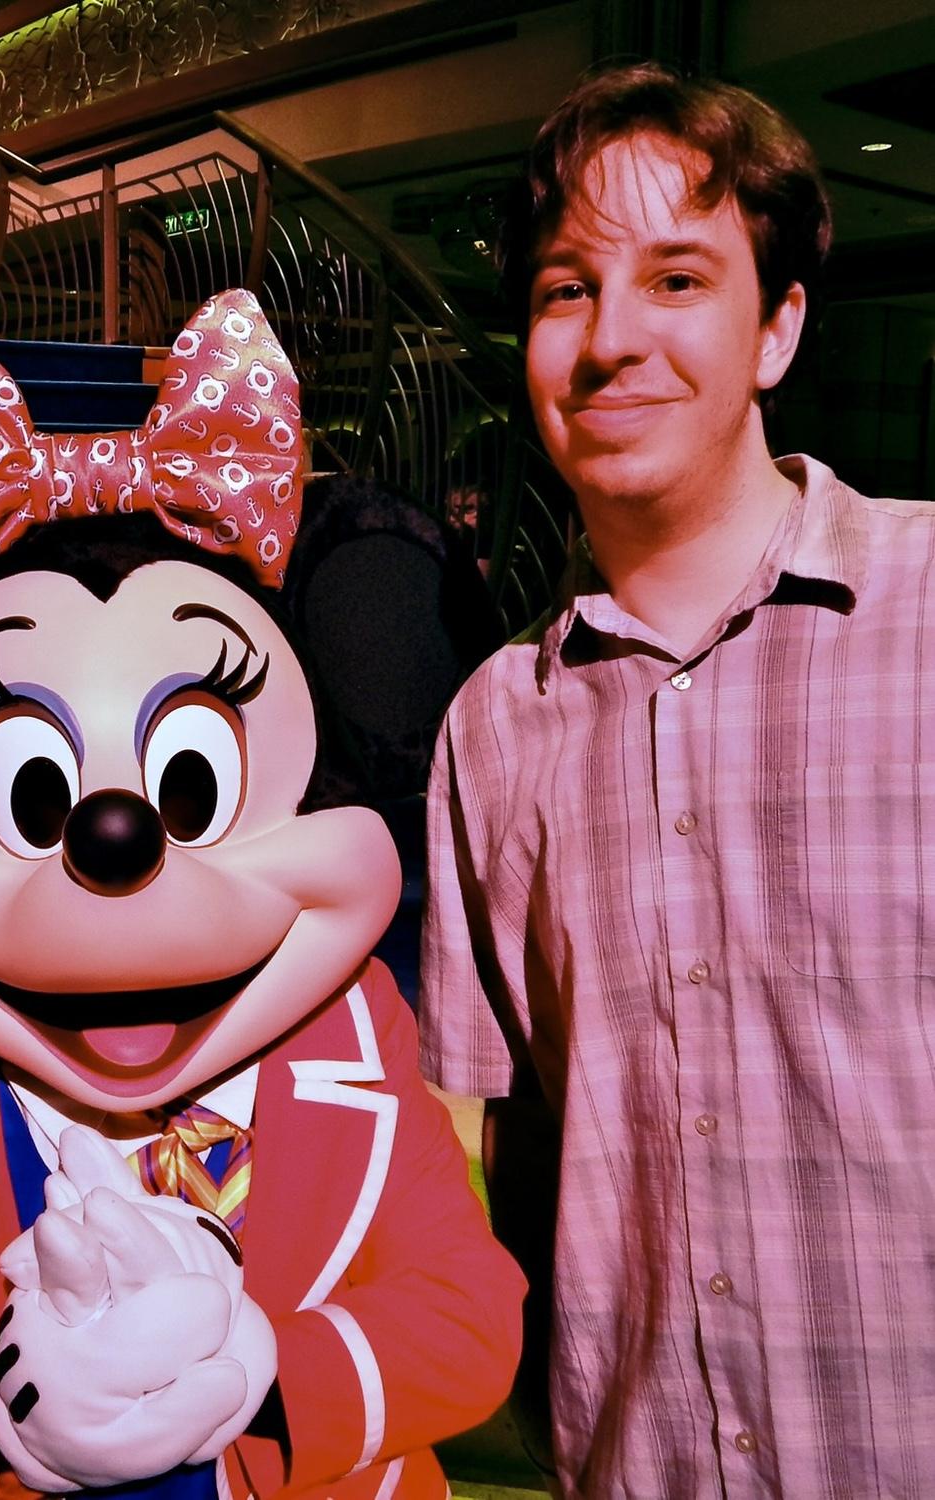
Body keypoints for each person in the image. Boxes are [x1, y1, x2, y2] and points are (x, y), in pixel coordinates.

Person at [420, 61, 935, 1499]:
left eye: (677, 279)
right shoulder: (493, 728)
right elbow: (491, 1143)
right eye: (567, 289)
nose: (611, 339)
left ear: (778, 327)